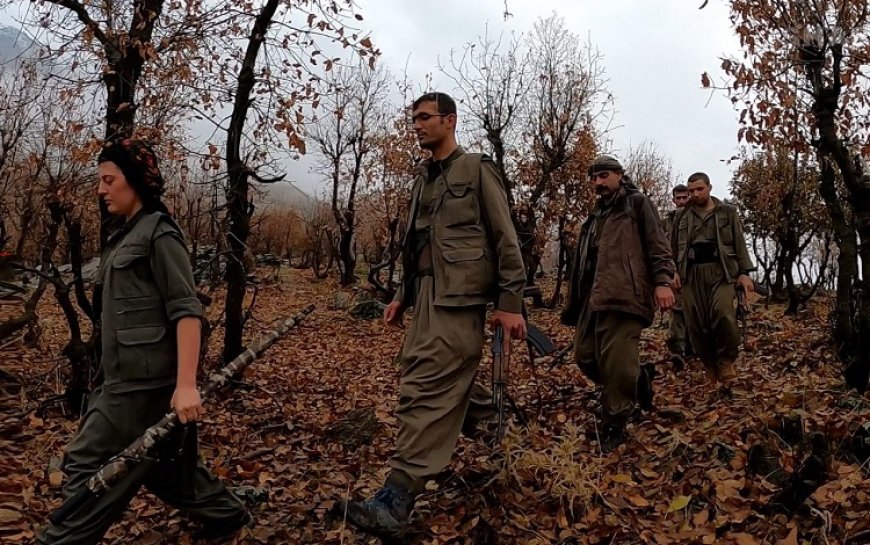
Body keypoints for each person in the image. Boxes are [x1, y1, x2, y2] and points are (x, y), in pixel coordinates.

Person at [37, 139, 249, 545]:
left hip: (142, 388)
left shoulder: (159, 233)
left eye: (109, 180)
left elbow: (187, 312)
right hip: (118, 379)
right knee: (167, 469)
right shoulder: (123, 235)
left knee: (83, 464)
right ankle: (227, 516)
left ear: (133, 180)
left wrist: (186, 386)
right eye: (100, 181)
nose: (101, 190)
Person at [340, 92, 527, 533]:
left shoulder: (476, 168)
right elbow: (417, 247)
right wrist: (402, 295)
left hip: (459, 302)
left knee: (423, 389)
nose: (417, 126)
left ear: (450, 120)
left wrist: (509, 304)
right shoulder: (422, 180)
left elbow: (505, 238)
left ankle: (397, 499)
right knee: (442, 380)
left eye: (425, 117)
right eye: (414, 119)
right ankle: (511, 440)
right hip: (426, 297)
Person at [561, 154, 675, 452]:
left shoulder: (637, 204)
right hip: (593, 297)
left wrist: (663, 281)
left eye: (604, 176)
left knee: (618, 365)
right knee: (585, 356)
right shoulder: (595, 216)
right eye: (594, 178)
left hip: (625, 295)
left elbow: (658, 244)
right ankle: (638, 380)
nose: (598, 182)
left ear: (619, 175)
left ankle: (615, 423)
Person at [671, 172, 755, 386]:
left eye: (700, 189)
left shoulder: (727, 212)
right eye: (691, 191)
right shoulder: (681, 216)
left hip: (722, 271)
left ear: (709, 187)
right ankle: (709, 364)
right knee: (695, 323)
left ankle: (726, 361)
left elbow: (739, 242)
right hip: (691, 273)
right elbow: (672, 247)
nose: (695, 194)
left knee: (723, 314)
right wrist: (672, 272)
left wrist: (744, 273)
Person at [663, 184, 691, 368]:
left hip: (695, 274)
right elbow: (663, 249)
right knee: (676, 314)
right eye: (678, 198)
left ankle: (694, 350)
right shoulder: (667, 221)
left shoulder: (698, 218)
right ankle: (677, 354)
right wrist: (670, 272)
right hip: (674, 274)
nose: (681, 201)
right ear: (673, 200)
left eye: (684, 197)